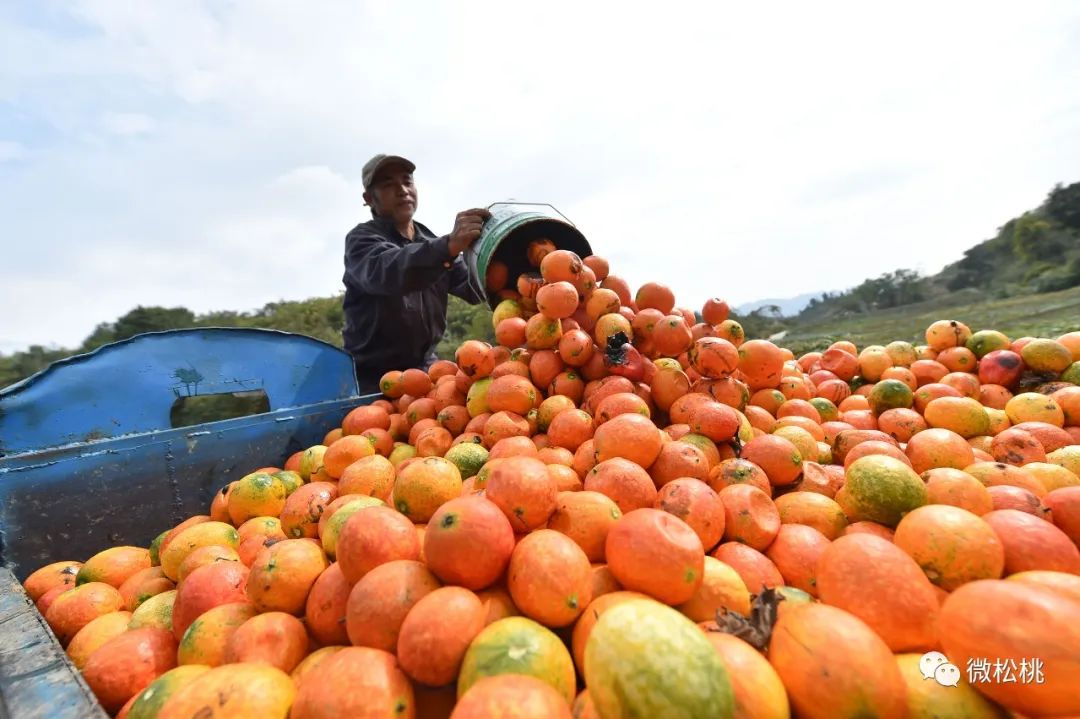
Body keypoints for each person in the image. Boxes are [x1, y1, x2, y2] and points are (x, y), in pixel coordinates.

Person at [342, 154, 491, 394]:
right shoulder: (362, 241)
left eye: (407, 181)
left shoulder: (430, 241)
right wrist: (449, 246)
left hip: (424, 370)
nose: (402, 190)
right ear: (369, 198)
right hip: (371, 379)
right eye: (388, 184)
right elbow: (391, 271)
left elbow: (474, 287)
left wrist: (493, 253)